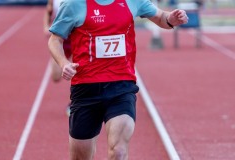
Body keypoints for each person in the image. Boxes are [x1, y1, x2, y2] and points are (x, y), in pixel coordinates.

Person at [48, 0, 188, 159]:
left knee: (119, 151)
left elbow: (161, 17)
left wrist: (171, 19)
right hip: (86, 89)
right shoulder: (74, 4)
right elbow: (55, 40)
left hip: (121, 86)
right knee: (80, 156)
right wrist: (63, 62)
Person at [43, 0, 72, 116]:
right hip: (60, 39)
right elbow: (48, 11)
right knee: (55, 76)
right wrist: (45, 26)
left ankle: (74, 102)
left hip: (76, 38)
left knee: (77, 72)